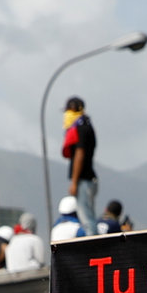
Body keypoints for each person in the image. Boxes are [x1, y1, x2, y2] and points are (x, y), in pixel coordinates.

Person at [58, 94, 99, 226]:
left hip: (84, 181)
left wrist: (74, 182)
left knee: (86, 219)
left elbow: (79, 154)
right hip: (87, 180)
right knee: (88, 216)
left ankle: (93, 245)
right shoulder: (87, 126)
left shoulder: (81, 128)